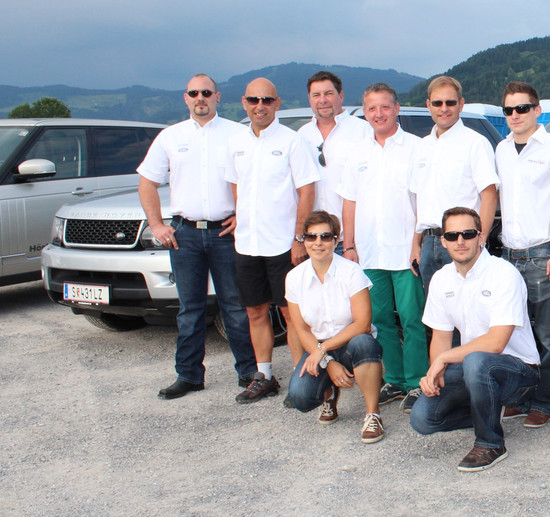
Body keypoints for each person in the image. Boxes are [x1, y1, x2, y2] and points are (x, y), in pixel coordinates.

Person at [138, 73, 256, 400]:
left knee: (235, 307)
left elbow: (253, 179)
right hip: (184, 235)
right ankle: (189, 376)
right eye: (194, 93)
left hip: (225, 234)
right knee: (189, 309)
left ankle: (249, 372)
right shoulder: (169, 136)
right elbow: (147, 182)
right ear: (186, 98)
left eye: (206, 92)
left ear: (217, 96)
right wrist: (157, 225)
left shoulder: (238, 134)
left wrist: (242, 215)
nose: (200, 98)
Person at [409, 207, 540, 472]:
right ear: (443, 241)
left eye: (468, 234)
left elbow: (496, 343)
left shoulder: (503, 274)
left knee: (476, 361)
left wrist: (445, 359)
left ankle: (490, 443)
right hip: (473, 369)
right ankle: (487, 410)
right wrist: (435, 373)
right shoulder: (441, 279)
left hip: (519, 372)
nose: (460, 241)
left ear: (480, 236)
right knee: (423, 419)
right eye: (452, 235)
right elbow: (441, 338)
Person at [226, 77, 320, 404]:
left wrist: (299, 239)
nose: (260, 106)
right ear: (244, 102)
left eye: (267, 100)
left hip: (283, 244)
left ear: (277, 103)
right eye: (254, 100)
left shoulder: (292, 142)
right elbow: (236, 187)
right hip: (247, 244)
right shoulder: (236, 142)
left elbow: (307, 191)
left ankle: (299, 379)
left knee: (291, 314)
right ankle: (264, 375)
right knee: (255, 312)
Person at [339, 83, 429, 414]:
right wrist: (349, 245)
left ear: (397, 108)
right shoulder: (357, 153)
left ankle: (417, 381)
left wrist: (417, 243)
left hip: (405, 252)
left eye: (385, 107)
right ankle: (394, 379)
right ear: (364, 112)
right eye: (372, 108)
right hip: (368, 252)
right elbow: (349, 201)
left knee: (412, 319)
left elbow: (423, 200)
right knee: (380, 320)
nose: (379, 114)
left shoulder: (416, 148)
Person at [493, 81, 550, 429]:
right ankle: (520, 397)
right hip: (509, 255)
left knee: (548, 336)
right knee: (514, 333)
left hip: (544, 252)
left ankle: (543, 400)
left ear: (537, 110)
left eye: (522, 108)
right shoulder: (501, 150)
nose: (515, 115)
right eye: (509, 110)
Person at [282, 211, 385, 443]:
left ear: (336, 240)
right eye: (311, 237)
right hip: (317, 346)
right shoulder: (294, 278)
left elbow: (362, 324)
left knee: (364, 343)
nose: (318, 243)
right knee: (300, 398)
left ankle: (373, 414)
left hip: (351, 342)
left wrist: (323, 350)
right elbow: (301, 329)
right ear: (304, 240)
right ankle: (328, 396)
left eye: (325, 236)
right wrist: (327, 362)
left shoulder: (351, 271)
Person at [410, 76, 499, 299]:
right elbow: (421, 199)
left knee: (469, 308)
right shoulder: (422, 147)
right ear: (428, 105)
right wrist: (416, 244)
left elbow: (489, 195)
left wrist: (480, 240)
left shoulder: (475, 143)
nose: (444, 109)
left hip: (463, 242)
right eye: (437, 103)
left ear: (461, 104)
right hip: (429, 244)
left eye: (450, 102)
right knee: (438, 311)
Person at [296, 71, 371, 244]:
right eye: (316, 95)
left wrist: (351, 243)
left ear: (341, 96)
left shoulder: (363, 131)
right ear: (309, 99)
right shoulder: (302, 135)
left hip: (354, 239)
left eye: (328, 93)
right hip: (315, 240)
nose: (322, 100)